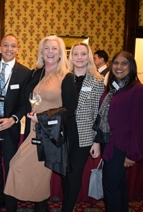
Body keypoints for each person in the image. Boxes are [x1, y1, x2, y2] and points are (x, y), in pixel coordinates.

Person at [4, 35, 77, 212]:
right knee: (22, 168)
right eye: (46, 48)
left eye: (54, 48)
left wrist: (43, 118)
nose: (50, 52)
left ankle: (40, 207)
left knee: (34, 173)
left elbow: (70, 110)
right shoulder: (37, 73)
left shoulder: (66, 77)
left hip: (50, 135)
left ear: (60, 53)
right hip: (32, 131)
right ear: (41, 52)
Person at [0, 34, 31, 212]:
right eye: (6, 45)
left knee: (10, 165)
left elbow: (26, 103)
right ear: (0, 49)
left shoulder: (25, 73)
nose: (9, 49)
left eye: (13, 46)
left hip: (10, 125)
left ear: (18, 49)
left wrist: (13, 119)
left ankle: (11, 204)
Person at [61, 42, 104, 212]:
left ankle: (68, 208)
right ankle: (67, 204)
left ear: (89, 57)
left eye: (83, 54)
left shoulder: (97, 80)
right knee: (64, 173)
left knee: (74, 174)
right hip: (63, 131)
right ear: (71, 57)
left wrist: (97, 141)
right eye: (76, 54)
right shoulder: (64, 77)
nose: (79, 57)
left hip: (84, 134)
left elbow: (99, 113)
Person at [97, 51, 143, 212]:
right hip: (109, 141)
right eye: (116, 63)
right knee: (119, 184)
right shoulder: (114, 87)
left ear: (131, 66)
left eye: (124, 63)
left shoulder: (137, 89)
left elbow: (139, 124)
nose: (119, 67)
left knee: (110, 186)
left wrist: (132, 153)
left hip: (122, 145)